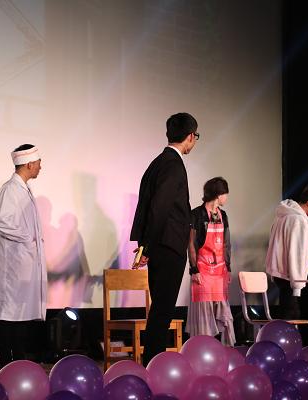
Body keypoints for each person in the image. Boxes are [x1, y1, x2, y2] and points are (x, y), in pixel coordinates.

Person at [130, 112, 199, 365]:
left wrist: (145, 244)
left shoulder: (158, 162)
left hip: (159, 244)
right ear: (190, 136)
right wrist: (147, 247)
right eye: (196, 136)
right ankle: (153, 364)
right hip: (167, 245)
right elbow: (159, 207)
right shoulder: (173, 164)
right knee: (163, 309)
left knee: (160, 308)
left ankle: (152, 362)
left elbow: (146, 206)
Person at [0, 144, 47, 366]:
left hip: (24, 262)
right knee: (9, 312)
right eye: (39, 163)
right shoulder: (10, 189)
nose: (40, 167)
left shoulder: (24, 189)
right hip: (14, 263)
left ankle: (18, 360)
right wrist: (25, 237)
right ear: (29, 164)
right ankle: (7, 362)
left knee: (20, 312)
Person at [186, 177, 235, 346]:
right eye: (226, 194)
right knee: (204, 315)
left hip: (220, 271)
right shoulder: (196, 214)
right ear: (219, 194)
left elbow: (226, 243)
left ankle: (224, 350)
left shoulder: (223, 215)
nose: (227, 197)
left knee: (223, 313)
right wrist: (194, 270)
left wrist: (228, 268)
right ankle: (202, 348)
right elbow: (191, 244)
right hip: (202, 270)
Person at [265, 186, 308, 320]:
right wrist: (297, 283)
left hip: (280, 271)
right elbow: (296, 252)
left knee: (287, 310)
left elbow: (290, 244)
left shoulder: (284, 215)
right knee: (291, 314)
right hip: (289, 273)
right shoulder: (299, 220)